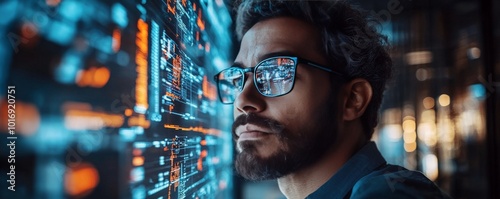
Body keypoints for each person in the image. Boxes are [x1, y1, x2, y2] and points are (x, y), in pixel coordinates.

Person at [214, 0, 451, 198]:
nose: (243, 100)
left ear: (352, 100)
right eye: (239, 78)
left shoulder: (389, 193)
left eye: (277, 73)